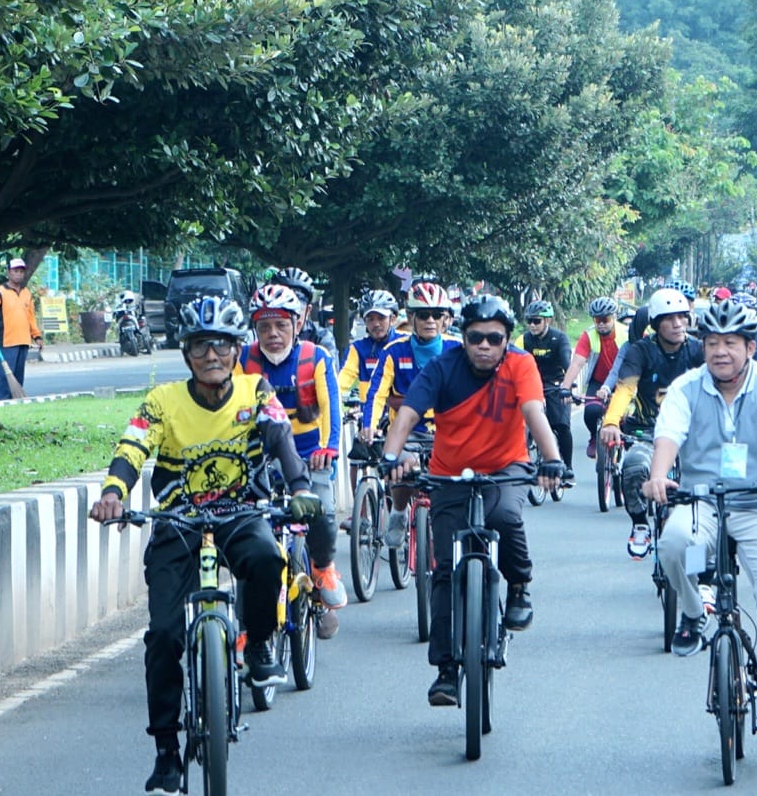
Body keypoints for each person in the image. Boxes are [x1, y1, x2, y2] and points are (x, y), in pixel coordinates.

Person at [89, 295, 322, 796]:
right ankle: (166, 751)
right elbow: (132, 446)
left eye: (222, 345)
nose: (211, 355)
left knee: (266, 559)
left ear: (238, 350)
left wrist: (300, 487)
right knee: (164, 637)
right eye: (199, 346)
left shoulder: (255, 390)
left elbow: (280, 436)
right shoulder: (163, 401)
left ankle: (258, 641)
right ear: (185, 352)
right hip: (178, 522)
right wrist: (114, 492)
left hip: (241, 514)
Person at [381, 295, 564, 706]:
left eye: (494, 338)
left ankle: (519, 585)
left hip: (506, 468)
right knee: (444, 568)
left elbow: (535, 412)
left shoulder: (521, 365)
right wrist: (391, 456)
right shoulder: (442, 367)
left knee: (505, 516)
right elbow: (408, 414)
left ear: (506, 340)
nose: (484, 345)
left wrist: (551, 460)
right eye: (475, 337)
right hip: (449, 474)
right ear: (462, 338)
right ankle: (446, 671)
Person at [644, 299, 757, 731]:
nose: (720, 351)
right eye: (712, 342)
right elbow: (668, 435)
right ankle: (693, 613)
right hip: (701, 501)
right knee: (675, 546)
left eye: (731, 342)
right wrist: (658, 477)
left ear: (750, 347)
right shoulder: (686, 388)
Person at [239, 284, 347, 630]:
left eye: (281, 325)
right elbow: (233, 412)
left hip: (309, 454)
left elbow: (331, 407)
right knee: (249, 526)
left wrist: (327, 449)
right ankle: (249, 617)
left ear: (297, 325)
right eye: (264, 327)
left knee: (324, 513)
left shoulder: (315, 357)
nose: (273, 334)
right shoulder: (243, 360)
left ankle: (323, 568)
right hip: (262, 454)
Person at [601, 287, 705, 557]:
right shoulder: (640, 351)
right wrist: (611, 421)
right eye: (670, 319)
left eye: (683, 317)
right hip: (648, 432)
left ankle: (702, 579)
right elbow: (625, 389)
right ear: (656, 323)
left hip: (691, 435)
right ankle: (639, 525)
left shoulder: (698, 350)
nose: (678, 324)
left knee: (705, 495)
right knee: (633, 468)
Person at [363, 281, 461, 546]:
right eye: (423, 315)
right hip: (407, 433)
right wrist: (369, 427)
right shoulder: (394, 351)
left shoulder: (458, 350)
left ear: (446, 319)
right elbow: (376, 393)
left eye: (437, 314)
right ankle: (397, 512)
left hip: (449, 432)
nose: (430, 320)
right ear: (411, 318)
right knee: (402, 470)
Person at [560, 296, 628, 460]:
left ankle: (625, 443)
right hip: (597, 381)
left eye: (605, 319)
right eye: (598, 320)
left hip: (623, 382)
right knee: (590, 412)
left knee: (626, 417)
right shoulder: (589, 335)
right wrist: (565, 388)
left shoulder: (625, 334)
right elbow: (577, 363)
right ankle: (594, 437)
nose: (601, 323)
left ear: (614, 317)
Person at [517, 299, 574, 481]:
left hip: (556, 385)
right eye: (530, 321)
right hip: (532, 385)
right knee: (524, 425)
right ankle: (524, 462)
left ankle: (567, 465)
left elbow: (567, 363)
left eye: (537, 321)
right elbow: (514, 363)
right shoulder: (524, 339)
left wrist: (569, 386)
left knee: (562, 425)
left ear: (547, 321)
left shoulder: (560, 338)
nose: (532, 325)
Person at [0, 257, 43, 400]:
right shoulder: (0, 292)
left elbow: (31, 317)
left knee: (18, 376)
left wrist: (37, 336)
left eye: (21, 271)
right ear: (8, 272)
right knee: (4, 375)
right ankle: (1, 402)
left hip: (23, 341)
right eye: (15, 271)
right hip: (6, 341)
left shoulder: (27, 294)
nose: (18, 274)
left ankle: (15, 402)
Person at [275, 266, 338, 357]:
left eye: (297, 309)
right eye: (284, 309)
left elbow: (330, 368)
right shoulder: (261, 334)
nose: (291, 316)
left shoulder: (321, 337)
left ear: (308, 311)